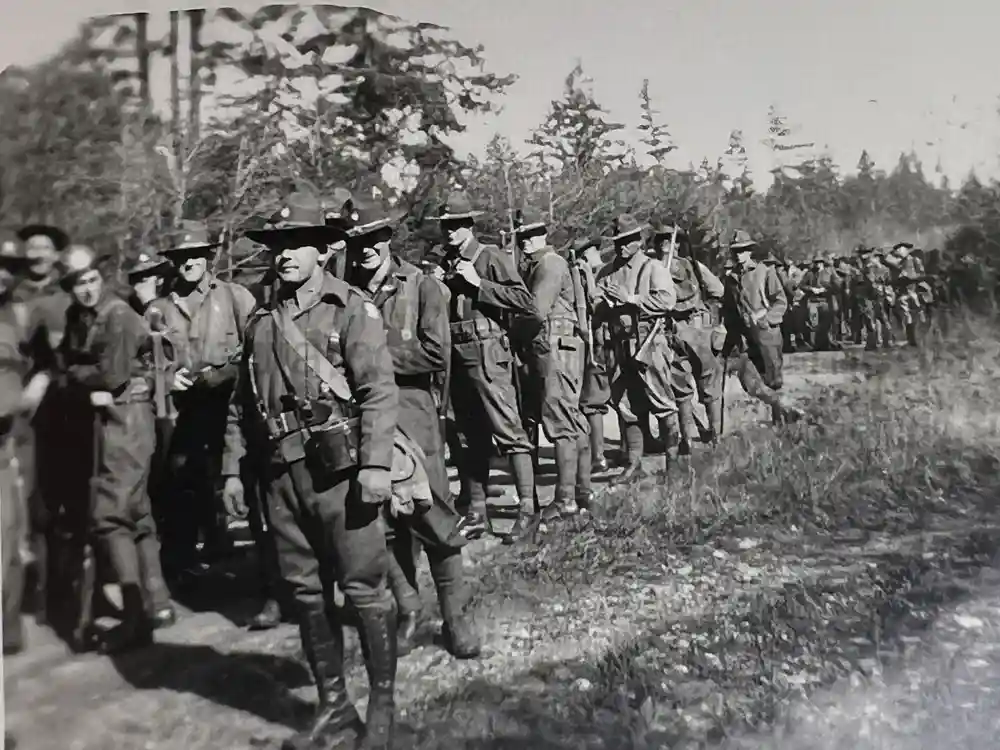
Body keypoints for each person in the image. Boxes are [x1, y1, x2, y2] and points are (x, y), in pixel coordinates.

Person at [220, 188, 399, 750]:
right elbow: (241, 406)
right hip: (280, 476)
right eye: (278, 246)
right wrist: (232, 471)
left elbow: (378, 391)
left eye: (297, 244)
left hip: (339, 474)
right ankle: (334, 706)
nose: (285, 255)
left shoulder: (350, 309)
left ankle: (382, 706)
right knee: (305, 594)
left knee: (364, 589)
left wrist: (376, 465)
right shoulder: (260, 320)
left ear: (322, 250)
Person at [342, 196, 480, 659]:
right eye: (356, 241)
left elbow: (435, 352)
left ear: (388, 238)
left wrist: (372, 360)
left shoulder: (421, 286)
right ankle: (409, 611)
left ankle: (456, 618)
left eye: (373, 238)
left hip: (413, 410)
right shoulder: (345, 293)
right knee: (382, 522)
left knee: (432, 511)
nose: (365, 248)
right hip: (363, 417)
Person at [58, 245, 172, 653]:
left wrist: (75, 375)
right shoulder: (81, 318)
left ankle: (136, 617)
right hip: (116, 418)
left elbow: (110, 375)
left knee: (111, 516)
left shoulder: (117, 315)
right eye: (78, 284)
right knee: (135, 511)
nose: (87, 289)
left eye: (91, 280)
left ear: (101, 278)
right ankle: (157, 602)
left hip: (128, 416)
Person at [431, 193, 541, 543]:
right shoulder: (443, 262)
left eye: (456, 225)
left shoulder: (489, 256)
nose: (449, 231)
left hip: (488, 348)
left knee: (508, 430)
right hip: (455, 351)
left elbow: (526, 302)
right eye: (445, 226)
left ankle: (528, 511)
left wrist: (480, 284)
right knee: (467, 434)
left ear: (469, 225)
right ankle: (477, 512)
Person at [156, 221, 256, 584]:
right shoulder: (158, 309)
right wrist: (167, 378)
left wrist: (226, 373)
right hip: (183, 414)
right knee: (183, 486)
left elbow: (257, 348)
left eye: (195, 255)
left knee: (244, 483)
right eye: (181, 256)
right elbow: (143, 360)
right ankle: (187, 568)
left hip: (232, 410)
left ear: (208, 257)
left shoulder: (235, 297)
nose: (188, 262)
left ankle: (262, 573)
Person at [511, 208, 589, 520]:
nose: (525, 241)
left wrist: (511, 332)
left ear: (543, 234)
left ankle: (567, 498)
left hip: (555, 348)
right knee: (567, 418)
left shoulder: (550, 263)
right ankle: (581, 492)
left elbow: (535, 311)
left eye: (531, 234)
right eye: (522, 235)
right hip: (550, 347)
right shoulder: (536, 264)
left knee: (560, 420)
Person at [13, 223, 71, 625]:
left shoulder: (69, 292)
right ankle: (43, 593)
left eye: (44, 247)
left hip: (65, 409)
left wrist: (47, 377)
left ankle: (72, 592)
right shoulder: (12, 294)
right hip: (22, 414)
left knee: (68, 501)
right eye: (31, 247)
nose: (36, 253)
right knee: (34, 506)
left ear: (56, 254)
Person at [594, 214, 678, 480]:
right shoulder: (606, 271)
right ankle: (633, 465)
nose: (621, 247)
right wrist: (603, 304)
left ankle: (674, 465)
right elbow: (595, 300)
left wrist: (630, 299)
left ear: (638, 241)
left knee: (663, 402)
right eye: (618, 242)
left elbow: (667, 301)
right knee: (627, 406)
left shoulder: (653, 268)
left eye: (627, 241)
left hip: (648, 342)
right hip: (618, 345)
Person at [721, 231, 802, 425]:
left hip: (767, 334)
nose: (738, 255)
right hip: (745, 337)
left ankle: (780, 420)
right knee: (750, 381)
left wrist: (765, 319)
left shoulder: (765, 272)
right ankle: (784, 411)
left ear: (750, 251)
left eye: (742, 250)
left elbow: (780, 302)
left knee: (772, 380)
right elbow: (729, 310)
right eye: (735, 251)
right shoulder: (731, 278)